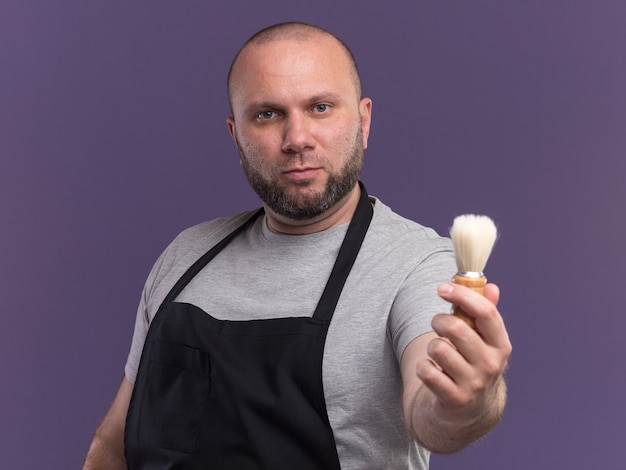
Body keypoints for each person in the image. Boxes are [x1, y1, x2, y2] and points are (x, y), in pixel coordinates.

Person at [83, 21, 511, 469]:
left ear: (363, 121)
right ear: (236, 136)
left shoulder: (414, 263)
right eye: (267, 114)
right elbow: (112, 446)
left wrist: (467, 401)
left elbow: (433, 416)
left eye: (321, 107)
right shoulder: (185, 256)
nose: (297, 139)